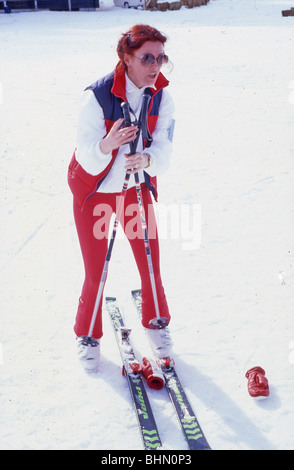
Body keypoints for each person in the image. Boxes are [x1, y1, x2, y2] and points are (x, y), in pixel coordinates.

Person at [68, 24, 175, 373]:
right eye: (147, 57)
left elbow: (163, 146)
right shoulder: (97, 97)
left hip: (134, 188)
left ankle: (157, 321)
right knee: (96, 269)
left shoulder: (162, 96)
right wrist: (107, 145)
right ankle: (88, 335)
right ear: (126, 58)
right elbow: (84, 152)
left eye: (160, 57)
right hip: (96, 192)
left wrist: (146, 160)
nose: (155, 65)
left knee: (150, 260)